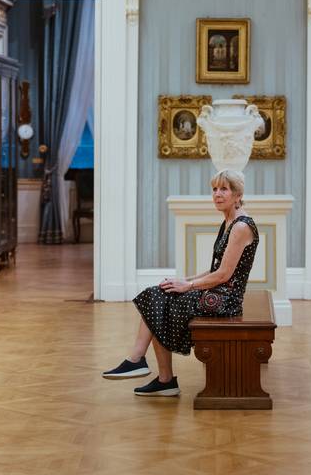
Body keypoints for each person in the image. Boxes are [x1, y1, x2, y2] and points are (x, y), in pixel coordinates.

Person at [102, 169, 259, 397]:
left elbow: (224, 275)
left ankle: (143, 364)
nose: (217, 194)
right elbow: (215, 270)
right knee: (158, 294)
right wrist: (185, 280)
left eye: (224, 189)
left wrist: (187, 286)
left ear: (237, 194)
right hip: (217, 292)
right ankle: (156, 374)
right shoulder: (229, 222)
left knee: (157, 299)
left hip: (226, 300)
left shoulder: (241, 227)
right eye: (214, 189)